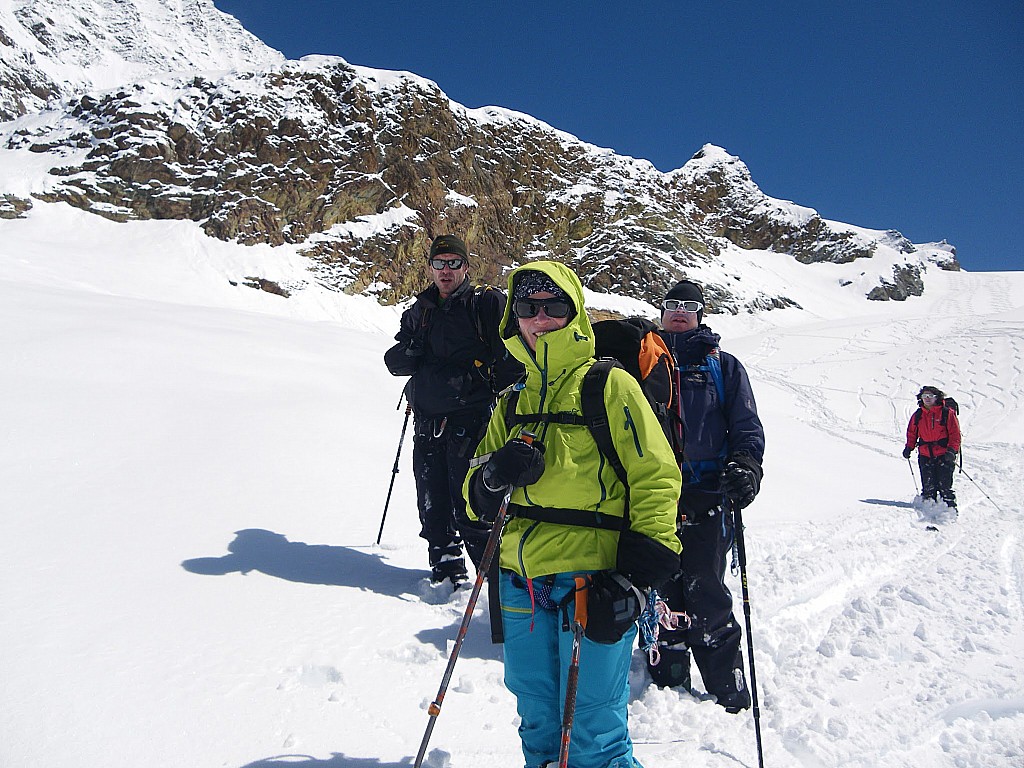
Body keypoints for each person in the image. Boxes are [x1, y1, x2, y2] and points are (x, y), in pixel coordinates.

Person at [464, 261, 682, 768]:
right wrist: (496, 473)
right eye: (527, 308)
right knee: (538, 719)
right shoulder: (511, 402)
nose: (539, 319)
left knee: (592, 731)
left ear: (574, 313)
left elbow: (656, 476)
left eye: (553, 307)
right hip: (522, 584)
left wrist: (632, 577)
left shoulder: (610, 386)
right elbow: (474, 497)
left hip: (594, 584)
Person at [648, 279, 766, 714]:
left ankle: (727, 689)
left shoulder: (724, 366)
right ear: (661, 311)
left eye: (689, 306)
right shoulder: (641, 361)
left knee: (706, 590)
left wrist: (747, 467)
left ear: (701, 314)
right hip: (651, 497)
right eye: (672, 304)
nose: (680, 311)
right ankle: (667, 680)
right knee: (661, 589)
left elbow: (746, 427)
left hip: (706, 493)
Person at [384, 235, 523, 587]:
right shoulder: (420, 311)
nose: (446, 270)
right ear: (430, 267)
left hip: (472, 422)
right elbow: (400, 355)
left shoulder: (485, 305)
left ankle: (495, 585)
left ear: (466, 266)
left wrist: (492, 383)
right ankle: (446, 568)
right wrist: (406, 356)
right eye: (440, 263)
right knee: (432, 504)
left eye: (454, 263)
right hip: (427, 422)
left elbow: (516, 352)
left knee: (471, 506)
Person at [903, 385, 960, 510]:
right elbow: (912, 432)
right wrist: (909, 447)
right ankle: (929, 510)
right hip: (925, 454)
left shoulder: (946, 413)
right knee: (928, 486)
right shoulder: (918, 415)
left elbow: (955, 434)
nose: (927, 399)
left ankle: (949, 511)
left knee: (945, 485)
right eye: (924, 396)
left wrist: (952, 450)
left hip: (944, 454)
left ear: (937, 397)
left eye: (930, 396)